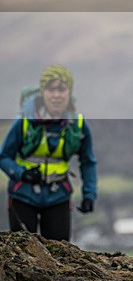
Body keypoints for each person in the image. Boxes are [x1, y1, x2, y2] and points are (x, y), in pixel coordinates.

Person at [1, 65, 98, 241]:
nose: (56, 95)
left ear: (69, 92)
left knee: (59, 257)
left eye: (61, 89)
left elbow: (88, 161)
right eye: (51, 89)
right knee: (22, 256)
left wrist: (89, 194)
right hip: (22, 195)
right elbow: (3, 157)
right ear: (42, 91)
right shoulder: (24, 121)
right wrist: (23, 174)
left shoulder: (78, 125)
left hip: (58, 196)